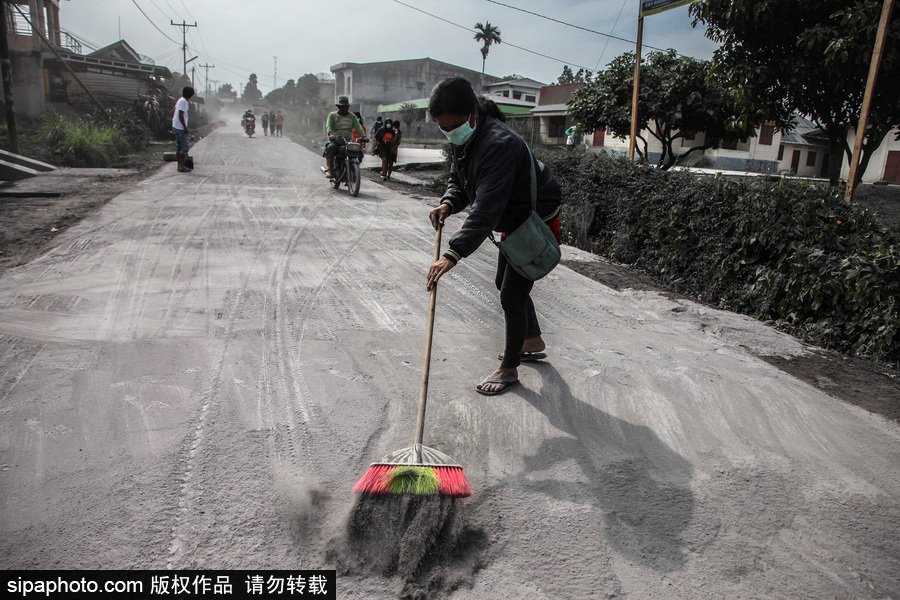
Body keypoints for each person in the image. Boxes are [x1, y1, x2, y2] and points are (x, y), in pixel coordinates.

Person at [425, 77, 562, 396]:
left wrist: (453, 253)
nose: (450, 133)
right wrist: (448, 202)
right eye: (444, 129)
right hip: (509, 213)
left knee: (512, 293)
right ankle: (531, 341)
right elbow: (461, 179)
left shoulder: (498, 143)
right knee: (506, 283)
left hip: (531, 218)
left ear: (473, 114)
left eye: (454, 127)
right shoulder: (466, 136)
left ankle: (510, 369)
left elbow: (486, 208)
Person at [324, 96, 364, 177]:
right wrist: (331, 134)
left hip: (348, 141)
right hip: (336, 140)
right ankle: (330, 169)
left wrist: (363, 136)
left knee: (359, 152)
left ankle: (354, 169)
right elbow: (329, 126)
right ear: (338, 107)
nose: (344, 109)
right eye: (342, 107)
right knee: (331, 148)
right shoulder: (332, 116)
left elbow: (358, 127)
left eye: (346, 107)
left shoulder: (352, 116)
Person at [172, 86, 194, 172]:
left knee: (179, 146)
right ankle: (181, 166)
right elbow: (180, 114)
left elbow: (173, 111)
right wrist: (185, 127)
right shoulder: (184, 102)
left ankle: (179, 165)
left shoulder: (180, 100)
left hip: (176, 126)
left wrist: (174, 121)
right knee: (185, 147)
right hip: (180, 128)